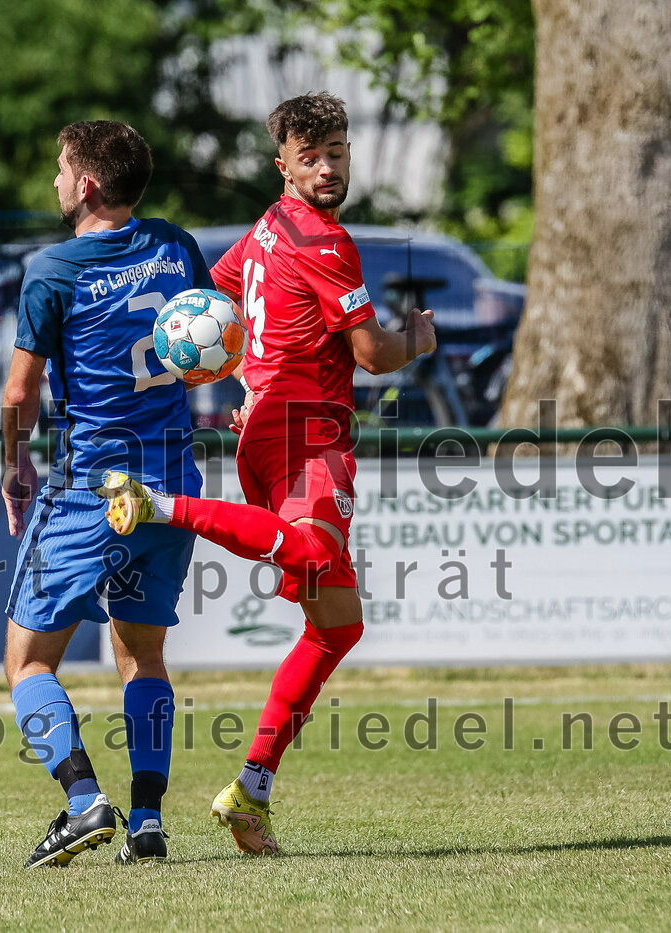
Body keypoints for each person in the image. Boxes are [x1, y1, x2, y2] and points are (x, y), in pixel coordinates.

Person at [98, 93, 437, 855]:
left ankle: (250, 791)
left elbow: (213, 296)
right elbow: (372, 355)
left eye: (336, 153)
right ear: (283, 163)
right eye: (309, 157)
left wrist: (243, 370)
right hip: (307, 434)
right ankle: (156, 504)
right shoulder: (325, 240)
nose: (326, 168)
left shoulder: (265, 228)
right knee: (312, 551)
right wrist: (416, 337)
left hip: (266, 432)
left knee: (338, 624)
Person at [1, 120, 214, 868]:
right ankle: (147, 820)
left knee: (28, 662)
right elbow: (214, 338)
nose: (56, 181)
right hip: (172, 486)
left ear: (87, 184)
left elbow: (19, 392)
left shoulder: (53, 269)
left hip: (93, 487)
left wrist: (14, 462)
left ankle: (84, 801)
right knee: (143, 655)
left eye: (62, 169)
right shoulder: (175, 245)